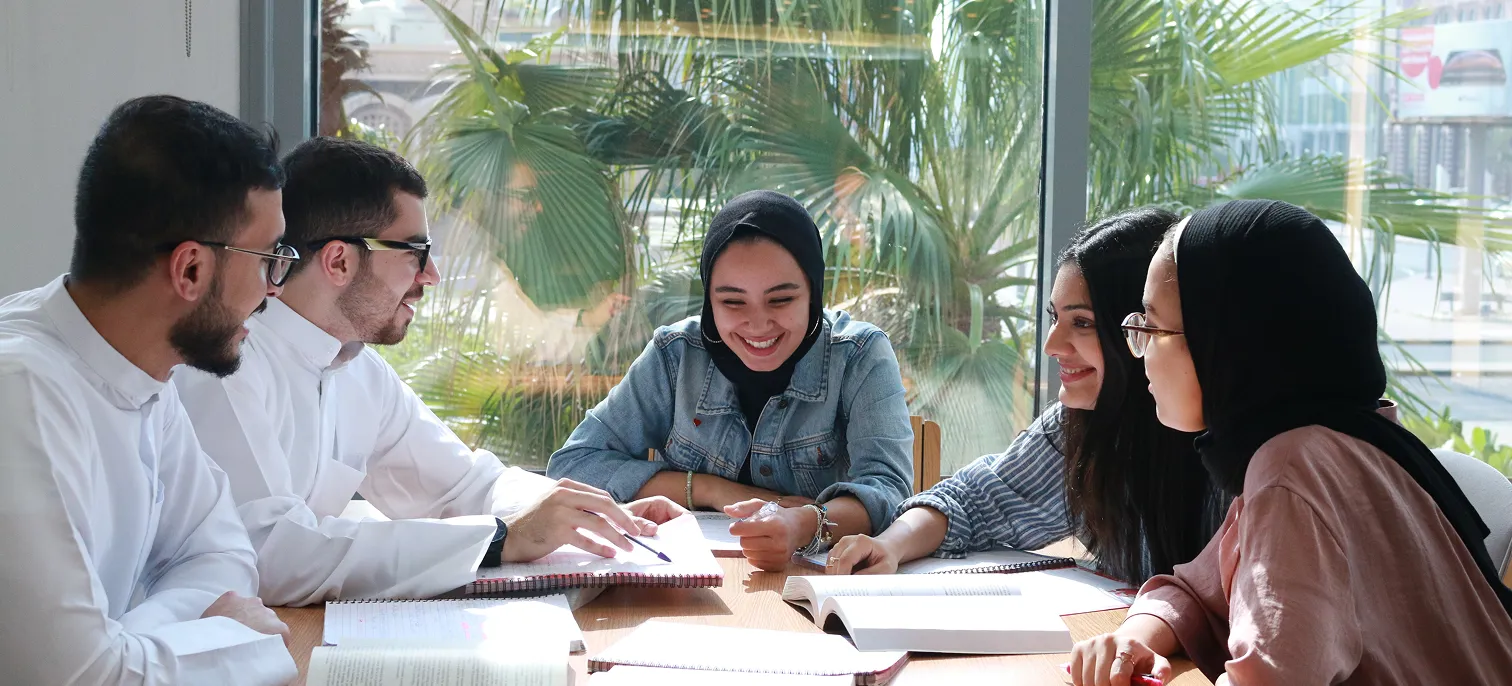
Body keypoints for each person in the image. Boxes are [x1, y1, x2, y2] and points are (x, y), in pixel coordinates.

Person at [175, 137, 684, 607]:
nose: (431, 275)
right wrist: (502, 538)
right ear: (338, 262)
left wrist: (577, 512)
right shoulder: (226, 366)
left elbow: (462, 485)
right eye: (416, 252)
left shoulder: (358, 369)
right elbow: (272, 557)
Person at [1070, 200, 1512, 685]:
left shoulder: (1293, 470)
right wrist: (1137, 634)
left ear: (1228, 341)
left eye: (1151, 327)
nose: (1142, 352)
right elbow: (1197, 590)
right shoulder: (1345, 437)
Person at [0, 95, 298, 684]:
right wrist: (231, 635)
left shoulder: (144, 364)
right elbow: (81, 677)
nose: (275, 290)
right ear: (190, 269)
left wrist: (132, 635)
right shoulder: (19, 394)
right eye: (268, 260)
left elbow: (223, 553)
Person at [824, 208, 1225, 583]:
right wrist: (889, 546)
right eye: (1055, 317)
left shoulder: (1236, 460)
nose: (1052, 345)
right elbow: (972, 501)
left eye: (1082, 322)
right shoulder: (1081, 425)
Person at [547, 190, 914, 571]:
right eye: (733, 302)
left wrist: (804, 524)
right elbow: (574, 465)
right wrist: (712, 490)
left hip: (818, 581)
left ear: (813, 293)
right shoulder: (676, 355)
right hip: (689, 582)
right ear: (709, 299)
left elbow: (889, 491)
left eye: (781, 300)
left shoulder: (859, 354)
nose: (757, 325)